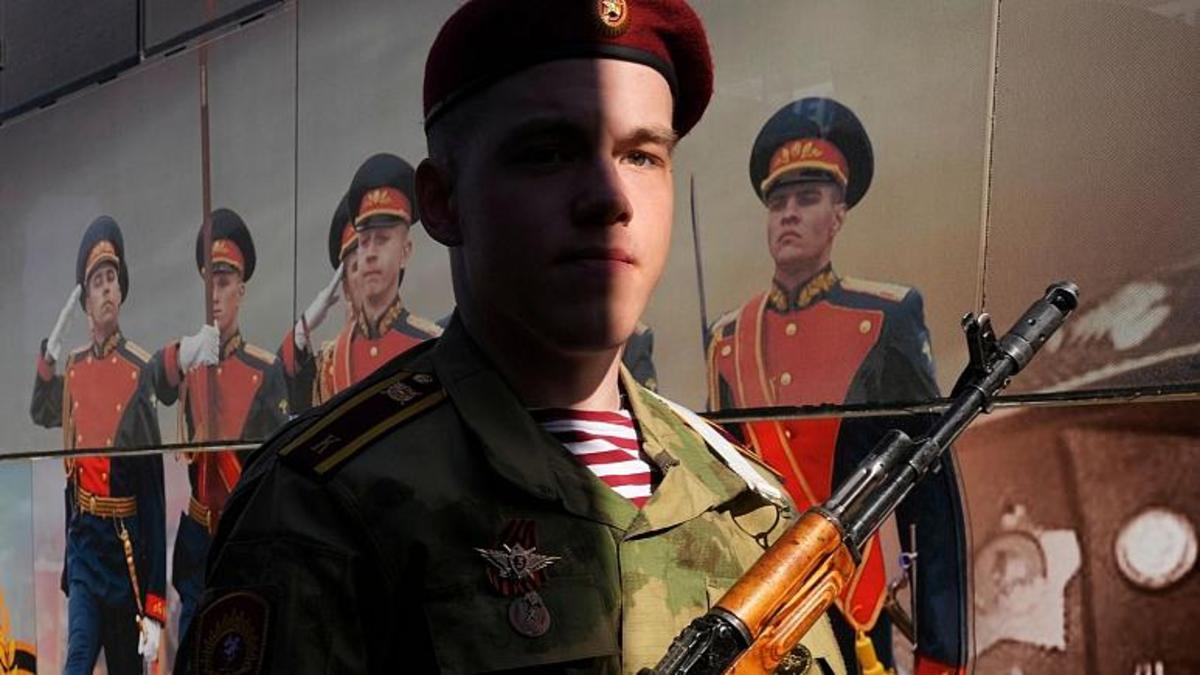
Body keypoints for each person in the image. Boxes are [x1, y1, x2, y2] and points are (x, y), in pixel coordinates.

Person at [178, 1, 853, 672]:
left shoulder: (744, 496)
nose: (610, 197)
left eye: (641, 156)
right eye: (549, 153)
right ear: (443, 201)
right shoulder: (324, 507)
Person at [705, 98, 964, 672]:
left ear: (838, 214)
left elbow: (931, 501)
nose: (788, 215)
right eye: (778, 203)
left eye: (807, 199)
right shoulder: (728, 339)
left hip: (852, 607)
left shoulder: (884, 318)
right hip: (759, 611)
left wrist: (940, 655)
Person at [30, 216, 165, 674]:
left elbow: (153, 495)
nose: (107, 288)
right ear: (86, 301)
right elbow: (41, 411)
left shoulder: (140, 370)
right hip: (86, 547)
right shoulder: (73, 370)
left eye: (112, 279)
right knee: (77, 660)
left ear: (120, 291)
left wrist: (155, 606)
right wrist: (47, 358)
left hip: (125, 553)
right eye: (97, 282)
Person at [148, 208, 289, 639]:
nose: (214, 294)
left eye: (224, 282)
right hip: (197, 537)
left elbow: (275, 469)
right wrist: (183, 353)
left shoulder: (264, 370)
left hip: (241, 534)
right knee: (191, 642)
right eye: (209, 281)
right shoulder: (189, 361)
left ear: (241, 290)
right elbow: (150, 382)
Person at [278, 194, 357, 414]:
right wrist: (302, 328)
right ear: (344, 285)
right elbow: (281, 388)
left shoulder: (422, 338)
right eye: (354, 267)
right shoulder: (326, 368)